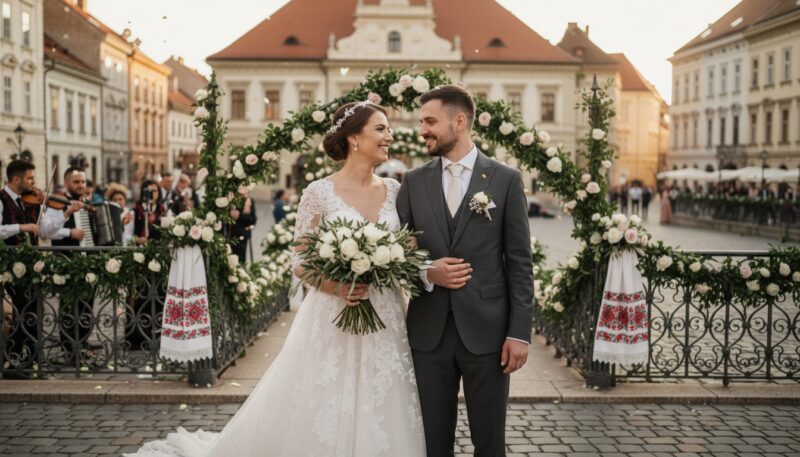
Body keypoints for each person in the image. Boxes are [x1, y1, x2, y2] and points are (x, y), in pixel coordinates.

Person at [127, 101, 426, 456]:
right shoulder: (319, 192)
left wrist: (396, 261)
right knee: (323, 396)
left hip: (385, 313)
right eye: (381, 128)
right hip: (334, 313)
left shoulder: (395, 190)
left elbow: (408, 247)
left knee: (383, 394)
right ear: (353, 138)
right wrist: (338, 286)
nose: (389, 135)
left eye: (388, 128)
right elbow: (300, 260)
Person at [397, 85, 533, 457]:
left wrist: (519, 333)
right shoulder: (413, 181)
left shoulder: (505, 179)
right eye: (421, 122)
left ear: (459, 122)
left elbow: (520, 262)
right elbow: (398, 253)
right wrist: (427, 272)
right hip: (429, 334)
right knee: (432, 443)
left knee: (489, 442)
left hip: (489, 335)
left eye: (429, 121)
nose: (422, 130)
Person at [229, 187, 256, 263]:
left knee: (240, 260)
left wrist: (240, 215)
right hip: (229, 234)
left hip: (242, 236)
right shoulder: (231, 199)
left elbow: (252, 220)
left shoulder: (248, 201)